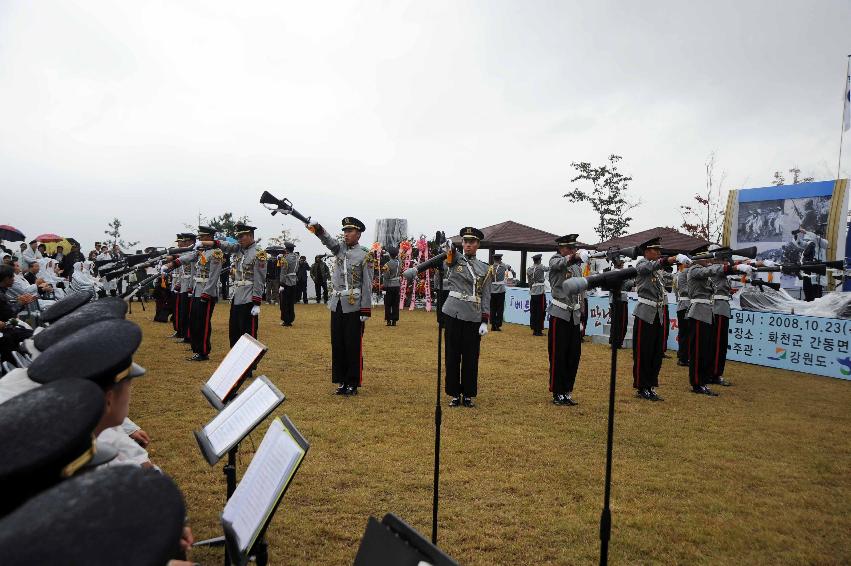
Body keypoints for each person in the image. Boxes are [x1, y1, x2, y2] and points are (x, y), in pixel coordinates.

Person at [305, 216, 373, 396]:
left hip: (354, 305)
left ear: (358, 234)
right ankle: (341, 380)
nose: (346, 234)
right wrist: (318, 228)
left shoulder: (365, 255)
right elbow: (328, 240)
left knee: (353, 344)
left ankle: (353, 381)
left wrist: (366, 309)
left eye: (349, 231)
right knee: (338, 344)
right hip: (337, 304)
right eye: (344, 231)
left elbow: (367, 284)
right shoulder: (339, 249)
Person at [441, 227, 492, 407]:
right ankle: (454, 393)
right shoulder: (455, 260)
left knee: (471, 357)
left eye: (472, 242)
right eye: (465, 242)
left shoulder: (485, 268)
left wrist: (485, 320)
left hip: (473, 315)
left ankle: (468, 394)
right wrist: (448, 247)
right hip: (453, 312)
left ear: (478, 245)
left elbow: (486, 295)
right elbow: (448, 258)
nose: (468, 245)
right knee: (452, 355)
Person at [686, 255, 750, 396]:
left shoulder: (705, 271)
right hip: (698, 312)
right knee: (698, 351)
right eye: (706, 258)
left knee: (706, 350)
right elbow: (708, 271)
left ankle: (703, 381)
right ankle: (697, 382)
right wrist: (735, 267)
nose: (708, 261)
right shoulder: (695, 269)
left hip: (707, 312)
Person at [632, 238, 682, 401]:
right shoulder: (642, 264)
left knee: (655, 353)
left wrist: (684, 267)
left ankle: (651, 385)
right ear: (646, 251)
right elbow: (650, 266)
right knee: (643, 352)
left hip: (658, 314)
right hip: (645, 313)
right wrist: (670, 259)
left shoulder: (658, 270)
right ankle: (641, 386)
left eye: (660, 250)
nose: (659, 253)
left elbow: (671, 280)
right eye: (656, 250)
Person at [208, 224, 267, 346]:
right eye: (238, 237)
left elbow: (259, 280)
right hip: (237, 297)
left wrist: (256, 302)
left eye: (242, 236)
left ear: (250, 236)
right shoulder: (239, 249)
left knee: (248, 333)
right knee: (234, 332)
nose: (239, 239)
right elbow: (226, 246)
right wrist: (210, 243)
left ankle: (250, 364)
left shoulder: (258, 254)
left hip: (249, 298)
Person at [171, 226, 221, 361]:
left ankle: (204, 351)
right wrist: (173, 262)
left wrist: (207, 292)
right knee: (194, 321)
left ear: (210, 238)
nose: (200, 239)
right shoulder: (201, 252)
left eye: (203, 237)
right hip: (197, 290)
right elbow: (189, 257)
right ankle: (197, 348)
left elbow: (214, 276)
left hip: (206, 292)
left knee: (203, 322)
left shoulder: (216, 253)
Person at [547, 235, 586, 406]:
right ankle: (557, 391)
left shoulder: (577, 268)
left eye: (574, 248)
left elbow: (581, 292)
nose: (572, 250)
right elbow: (559, 264)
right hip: (560, 313)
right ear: (561, 249)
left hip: (574, 316)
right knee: (558, 355)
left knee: (573, 355)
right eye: (569, 248)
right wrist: (575, 257)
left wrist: (582, 315)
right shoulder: (555, 260)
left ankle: (567, 390)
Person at [607, 257, 632, 349]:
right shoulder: (621, 273)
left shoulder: (611, 273)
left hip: (613, 300)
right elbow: (628, 285)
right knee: (622, 322)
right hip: (621, 299)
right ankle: (618, 342)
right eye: (622, 263)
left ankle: (613, 341)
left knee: (614, 322)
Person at [489, 254, 513, 331]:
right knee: (500, 308)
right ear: (500, 259)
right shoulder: (503, 266)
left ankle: (493, 325)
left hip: (492, 290)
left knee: (492, 308)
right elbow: (509, 267)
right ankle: (498, 325)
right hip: (500, 290)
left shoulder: (491, 267)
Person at [526, 254, 549, 336]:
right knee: (541, 311)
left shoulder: (529, 269)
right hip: (540, 291)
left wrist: (531, 289)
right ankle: (538, 330)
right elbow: (549, 269)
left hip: (533, 291)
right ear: (539, 260)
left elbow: (529, 282)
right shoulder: (541, 267)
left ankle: (534, 329)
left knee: (534, 311)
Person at [278, 242, 298, 327]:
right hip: (294, 281)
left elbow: (283, 271)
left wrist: (281, 283)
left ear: (286, 249)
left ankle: (286, 320)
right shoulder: (296, 257)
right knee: (290, 302)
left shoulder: (285, 259)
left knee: (284, 302)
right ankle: (290, 318)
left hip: (286, 282)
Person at [381, 246, 401, 326]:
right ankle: (394, 320)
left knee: (388, 303)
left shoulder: (387, 264)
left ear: (389, 254)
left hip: (389, 285)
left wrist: (384, 287)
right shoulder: (399, 263)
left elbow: (386, 277)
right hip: (397, 285)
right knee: (395, 303)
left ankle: (389, 320)